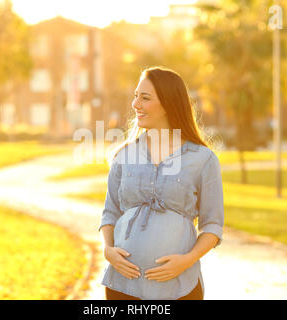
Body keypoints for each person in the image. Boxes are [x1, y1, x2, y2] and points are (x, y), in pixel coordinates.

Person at [98, 66, 224, 300]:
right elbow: (110, 214)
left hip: (179, 286)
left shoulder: (203, 159)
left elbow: (213, 226)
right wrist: (108, 251)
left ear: (168, 104)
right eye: (136, 96)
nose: (136, 104)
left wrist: (186, 260)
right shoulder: (124, 155)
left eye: (145, 98)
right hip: (123, 286)